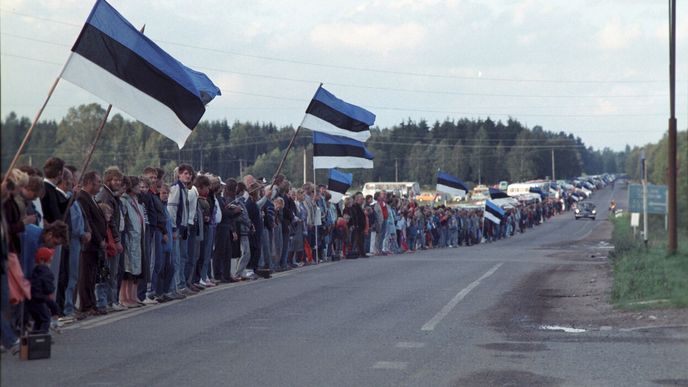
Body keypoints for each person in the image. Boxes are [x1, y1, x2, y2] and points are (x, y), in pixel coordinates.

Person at [77, 171, 108, 316]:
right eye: (98, 182)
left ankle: (92, 303)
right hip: (89, 245)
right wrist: (99, 239)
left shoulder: (92, 198)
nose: (100, 185)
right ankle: (86, 305)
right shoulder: (82, 198)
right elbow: (89, 221)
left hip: (96, 245)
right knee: (86, 275)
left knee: (92, 276)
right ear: (89, 183)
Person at [95, 166, 125, 312]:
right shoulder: (105, 196)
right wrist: (117, 240)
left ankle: (112, 300)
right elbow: (110, 221)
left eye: (120, 180)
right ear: (108, 180)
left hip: (112, 237)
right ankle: (108, 301)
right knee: (109, 271)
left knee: (113, 271)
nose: (118, 182)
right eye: (115, 180)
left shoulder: (112, 195)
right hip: (109, 238)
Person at [119, 176, 146, 308]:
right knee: (127, 269)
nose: (139, 187)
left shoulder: (137, 201)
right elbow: (123, 220)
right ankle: (124, 297)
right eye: (137, 185)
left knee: (136, 269)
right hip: (129, 238)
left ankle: (133, 296)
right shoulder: (125, 201)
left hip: (138, 238)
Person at [27, 247, 59, 333]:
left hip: (31, 299)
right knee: (45, 319)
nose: (50, 264)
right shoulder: (46, 272)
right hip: (40, 299)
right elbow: (49, 289)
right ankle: (42, 337)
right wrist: (51, 289)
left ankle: (34, 336)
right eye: (49, 261)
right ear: (42, 260)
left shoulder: (34, 270)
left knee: (38, 320)